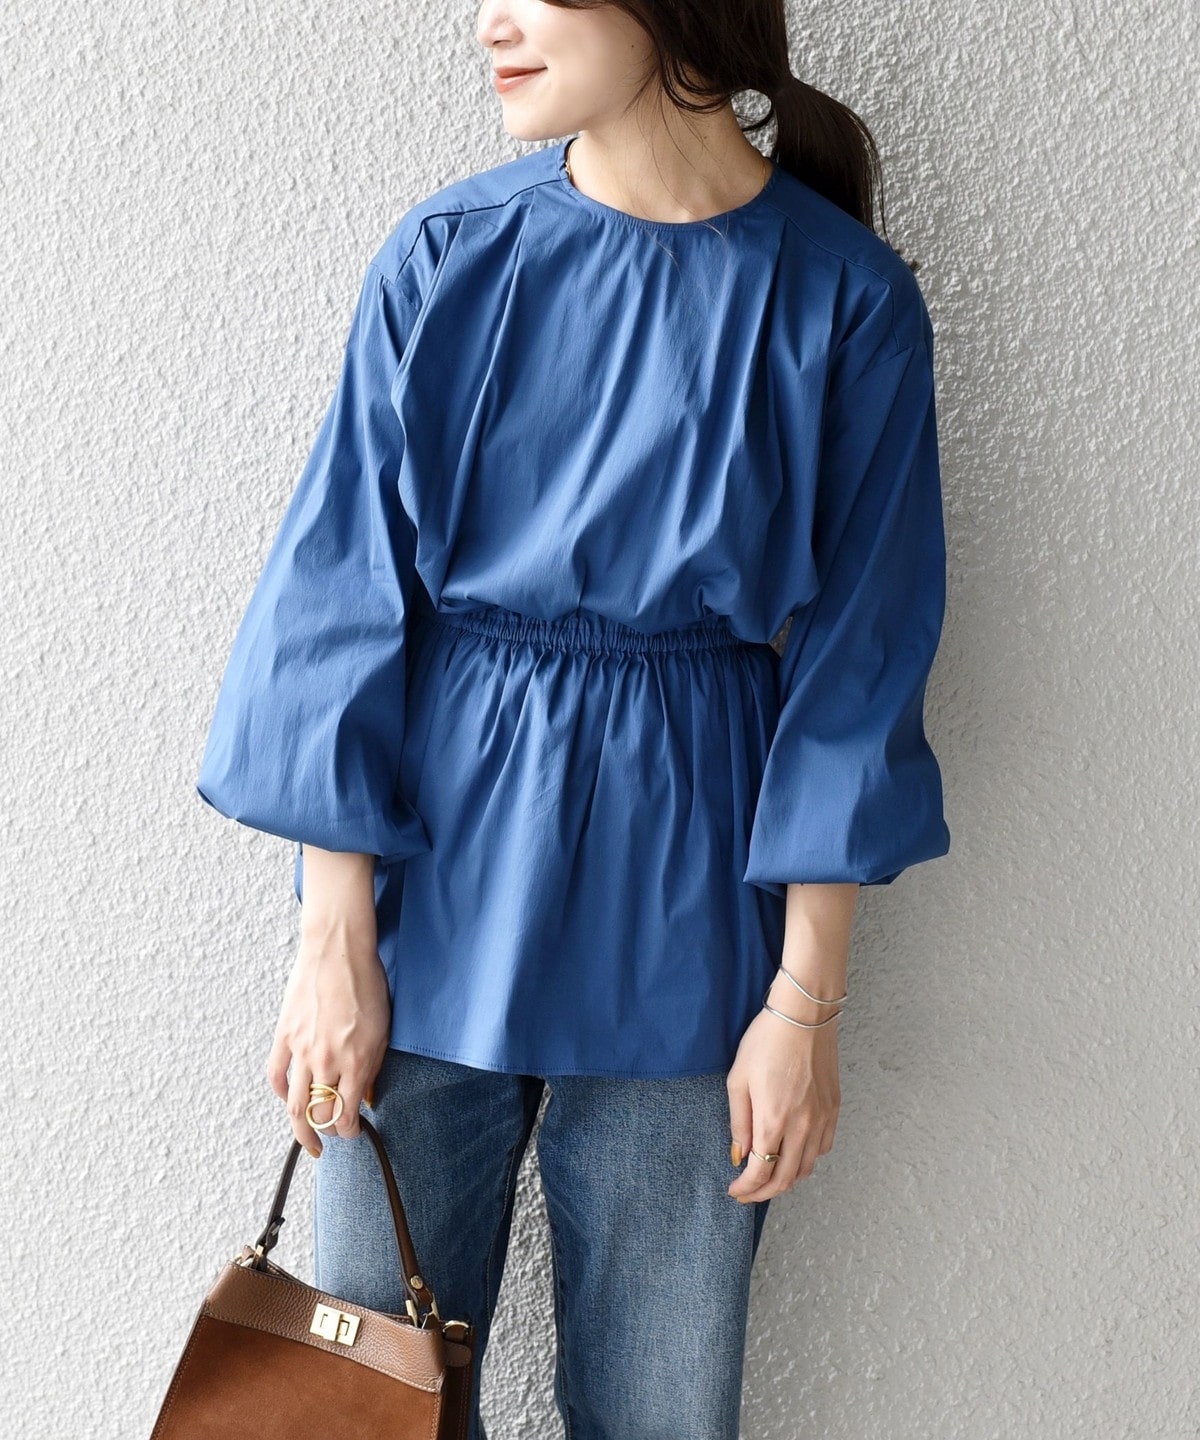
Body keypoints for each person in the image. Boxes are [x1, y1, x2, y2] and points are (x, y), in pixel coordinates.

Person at [195, 1, 951, 1435]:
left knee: (662, 1411)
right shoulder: (451, 257)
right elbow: (337, 599)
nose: (489, 20)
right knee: (369, 1403)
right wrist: (331, 943)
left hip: (695, 915)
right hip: (431, 902)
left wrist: (805, 1005)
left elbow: (860, 666)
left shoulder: (845, 300)